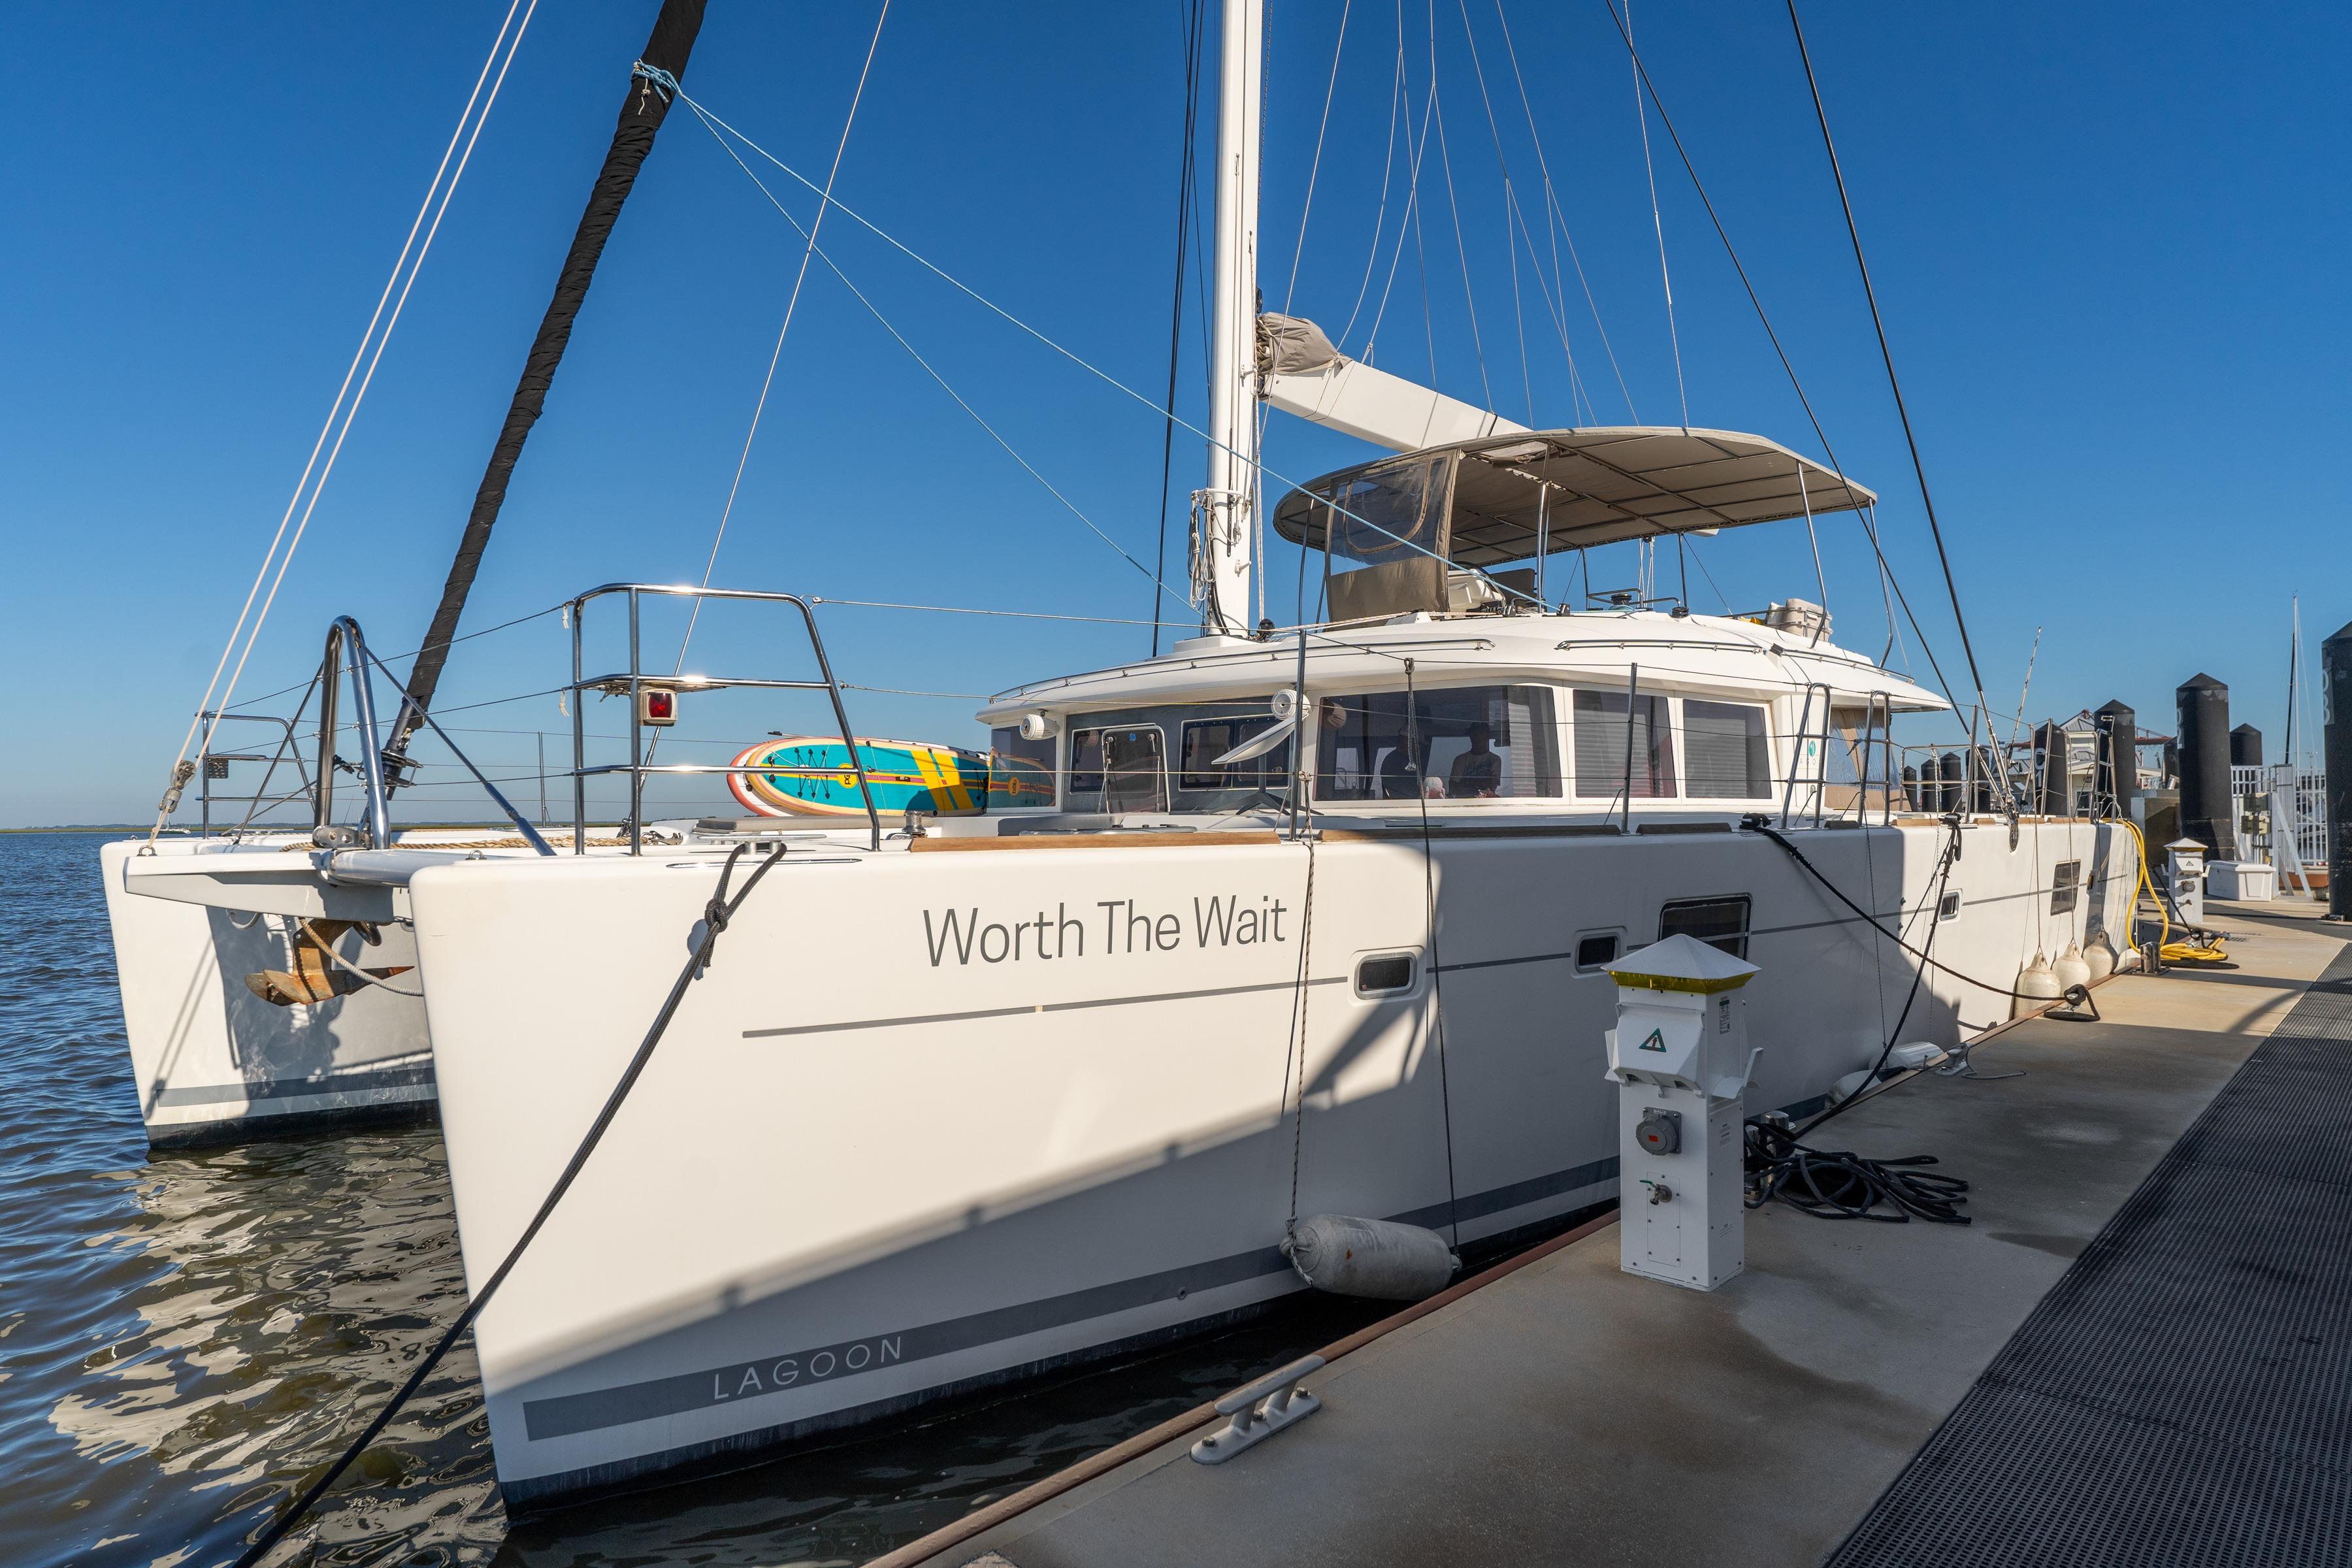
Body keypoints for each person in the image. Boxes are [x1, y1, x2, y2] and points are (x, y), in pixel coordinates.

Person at [1448, 721, 1503, 798]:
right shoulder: (1460, 760)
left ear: (1487, 737)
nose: (1478, 738)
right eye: (1475, 735)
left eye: (1481, 735)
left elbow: (1492, 785)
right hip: (1462, 803)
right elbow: (1453, 787)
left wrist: (1466, 784)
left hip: (1487, 803)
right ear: (1471, 737)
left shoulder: (1495, 760)